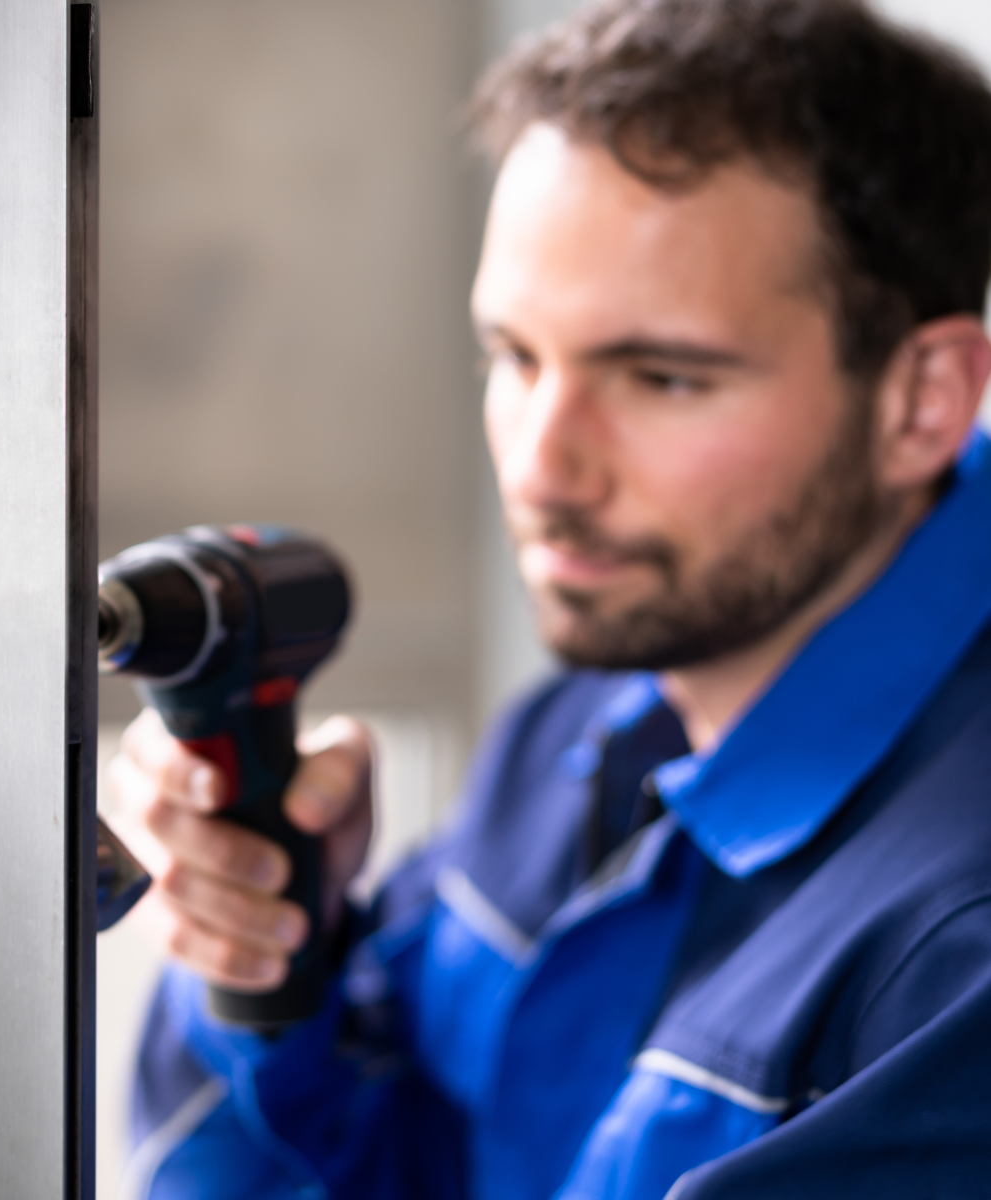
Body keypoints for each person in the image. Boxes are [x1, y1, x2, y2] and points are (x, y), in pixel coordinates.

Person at [105, 1, 991, 1196]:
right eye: (514, 358)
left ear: (920, 399)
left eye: (660, 377)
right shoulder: (576, 727)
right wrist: (270, 958)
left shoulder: (960, 945)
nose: (539, 468)